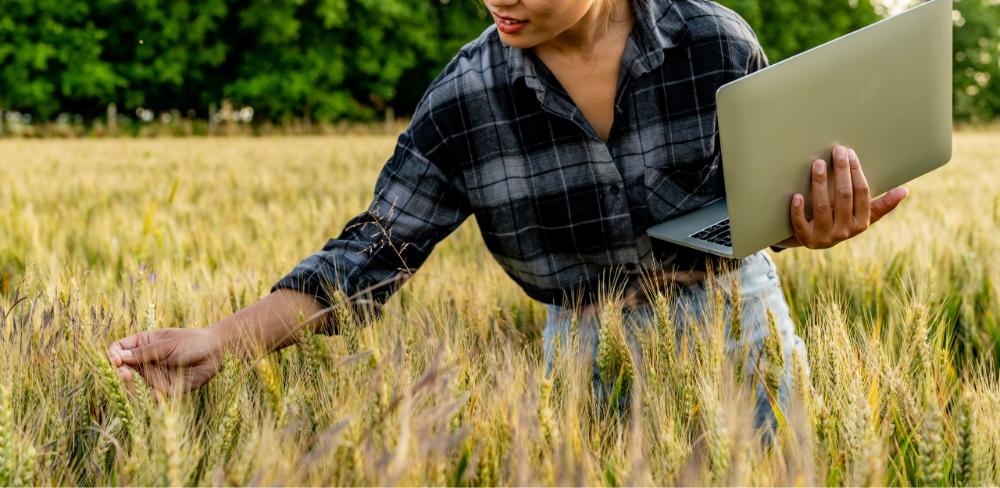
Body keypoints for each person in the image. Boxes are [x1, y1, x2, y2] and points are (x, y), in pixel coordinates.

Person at [107, 0, 908, 426]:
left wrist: (812, 222)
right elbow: (370, 255)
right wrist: (218, 340)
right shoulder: (463, 99)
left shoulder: (717, 44)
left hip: (741, 331)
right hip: (584, 359)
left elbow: (760, 205)